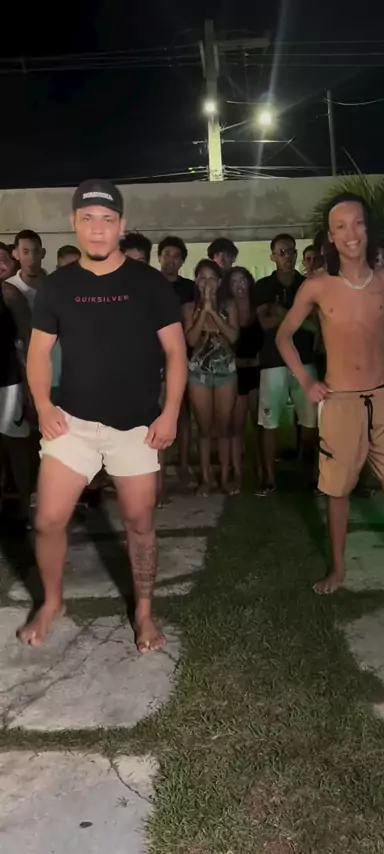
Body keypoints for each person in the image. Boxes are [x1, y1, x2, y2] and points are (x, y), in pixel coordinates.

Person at [18, 179, 187, 652]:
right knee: (48, 520)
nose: (97, 229)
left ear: (121, 225)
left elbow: (176, 352)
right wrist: (44, 405)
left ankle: (144, 613)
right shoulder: (57, 286)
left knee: (139, 524)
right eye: (88, 219)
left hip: (136, 426)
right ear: (73, 223)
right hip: (73, 424)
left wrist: (170, 413)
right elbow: (38, 353)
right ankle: (52, 602)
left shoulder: (149, 283)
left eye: (107, 220)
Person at [276, 192, 384, 603]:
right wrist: (306, 381)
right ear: (331, 237)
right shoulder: (318, 285)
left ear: (366, 228)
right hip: (340, 402)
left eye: (357, 223)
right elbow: (284, 336)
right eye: (340, 227)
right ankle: (338, 568)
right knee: (337, 492)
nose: (350, 233)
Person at [255, 233, 317, 494]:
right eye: (281, 252)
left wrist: (282, 313)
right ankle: (269, 479)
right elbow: (264, 323)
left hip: (305, 360)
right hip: (273, 362)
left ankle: (311, 476)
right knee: (269, 422)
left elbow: (316, 327)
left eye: (291, 251)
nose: (287, 256)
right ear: (273, 256)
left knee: (310, 422)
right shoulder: (263, 286)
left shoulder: (308, 285)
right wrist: (298, 318)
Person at [183, 259, 239, 495]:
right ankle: (205, 479)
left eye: (212, 278)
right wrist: (203, 310)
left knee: (223, 429)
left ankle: (224, 478)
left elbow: (233, 337)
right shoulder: (189, 308)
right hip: (199, 374)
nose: (207, 283)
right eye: (202, 277)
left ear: (220, 281)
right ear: (196, 280)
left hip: (226, 372)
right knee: (204, 429)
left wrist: (213, 312)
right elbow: (191, 340)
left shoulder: (229, 305)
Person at [157, 236, 195, 489]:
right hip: (154, 358)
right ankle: (157, 472)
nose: (171, 260)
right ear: (159, 257)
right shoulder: (150, 284)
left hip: (184, 356)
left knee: (183, 414)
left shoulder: (189, 288)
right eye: (167, 255)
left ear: (182, 261)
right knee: (158, 413)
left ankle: (183, 464)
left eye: (176, 256)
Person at [0, 243, 33, 524]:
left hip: (8, 381)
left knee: (16, 447)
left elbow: (30, 341)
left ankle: (25, 506)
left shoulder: (10, 294)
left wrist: (31, 384)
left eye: (1, 259)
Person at [224, 266, 264, 491]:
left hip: (258, 373)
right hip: (235, 374)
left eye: (242, 281)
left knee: (260, 426)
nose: (239, 286)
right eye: (233, 282)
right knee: (236, 428)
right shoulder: (227, 309)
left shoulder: (258, 310)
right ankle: (236, 473)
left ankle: (262, 469)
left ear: (249, 282)